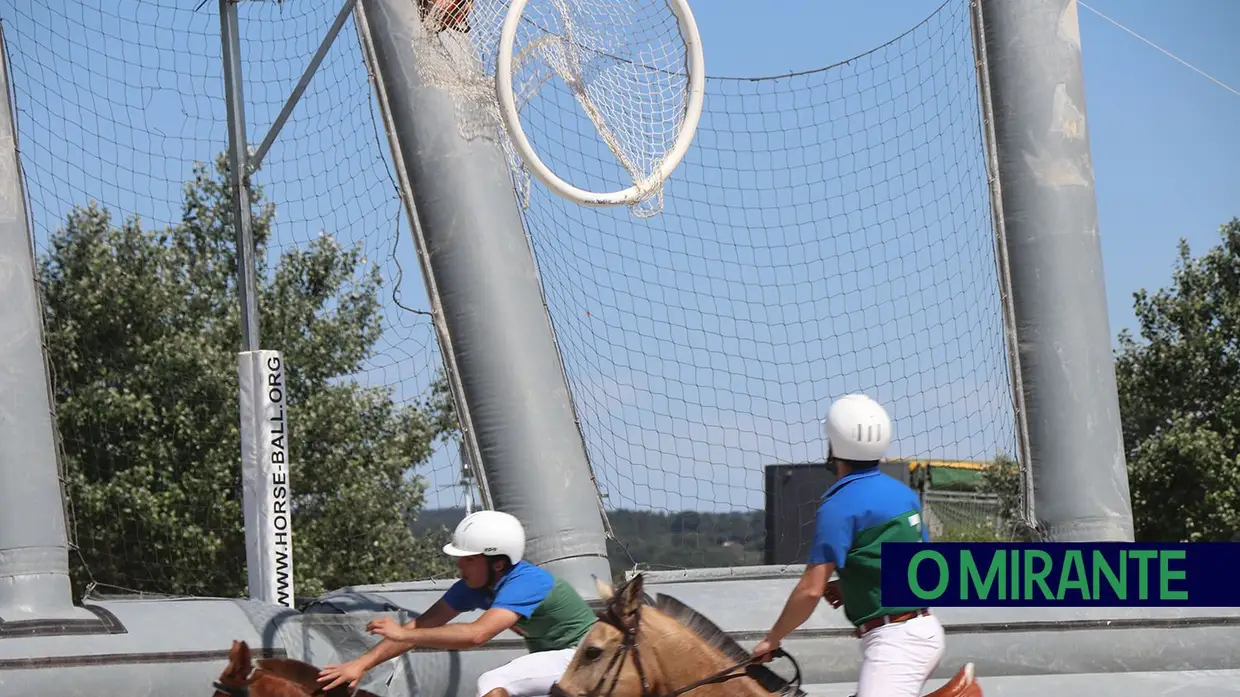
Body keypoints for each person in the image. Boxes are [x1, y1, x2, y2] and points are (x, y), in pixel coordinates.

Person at [753, 393, 945, 697]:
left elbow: (810, 590)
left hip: (896, 642)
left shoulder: (838, 505)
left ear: (834, 446)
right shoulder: (902, 494)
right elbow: (922, 571)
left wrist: (773, 639)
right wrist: (855, 583)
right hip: (920, 631)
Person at [318, 510, 599, 697]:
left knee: (493, 683)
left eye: (469, 558)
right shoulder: (474, 585)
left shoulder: (526, 583)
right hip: (565, 658)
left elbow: (477, 634)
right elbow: (422, 625)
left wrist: (406, 633)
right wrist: (361, 665)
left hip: (587, 657)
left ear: (498, 564)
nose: (459, 564)